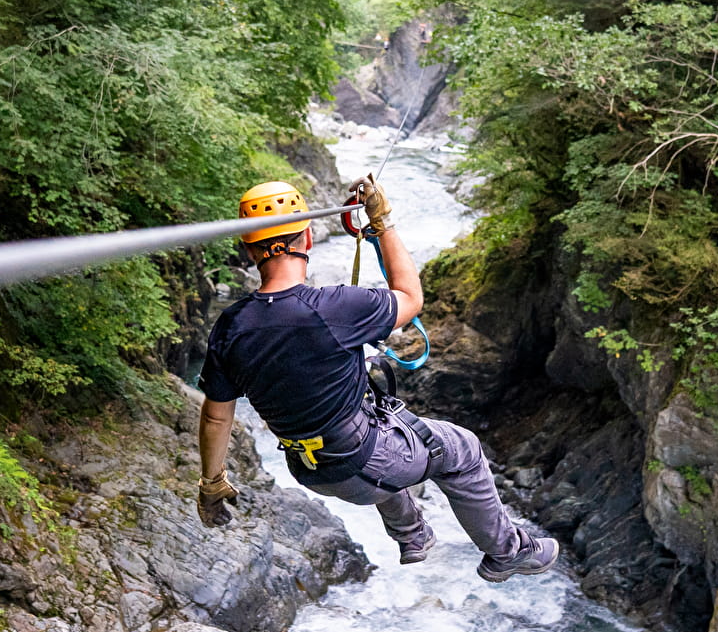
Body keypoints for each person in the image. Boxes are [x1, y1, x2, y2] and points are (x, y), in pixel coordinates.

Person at [192, 177, 558, 583]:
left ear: (248, 250)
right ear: (308, 238)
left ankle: (412, 534)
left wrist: (211, 483)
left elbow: (215, 418)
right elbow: (410, 296)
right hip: (364, 464)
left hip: (311, 470)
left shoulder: (230, 327)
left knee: (379, 424)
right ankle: (508, 551)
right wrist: (381, 221)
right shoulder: (338, 307)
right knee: (462, 448)